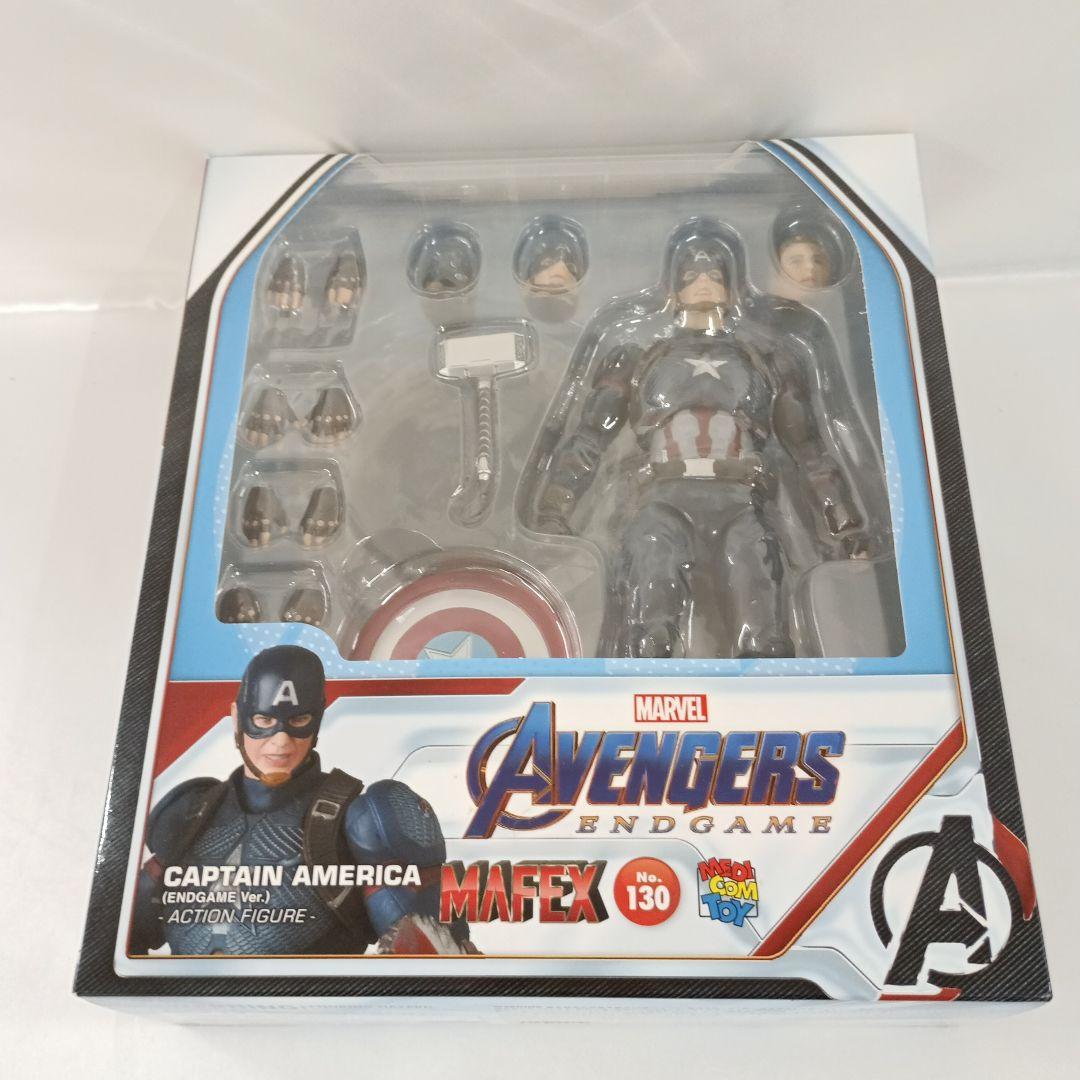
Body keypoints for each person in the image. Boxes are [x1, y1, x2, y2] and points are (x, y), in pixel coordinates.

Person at [535, 220, 864, 659]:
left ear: (732, 286)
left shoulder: (768, 359)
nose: (704, 281)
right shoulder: (638, 358)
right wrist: (554, 508)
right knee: (649, 626)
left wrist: (846, 527)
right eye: (692, 274)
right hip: (664, 500)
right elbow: (589, 438)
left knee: (764, 631)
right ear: (674, 287)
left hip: (741, 501)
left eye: (715, 274)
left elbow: (809, 450)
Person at [130, 645, 472, 955]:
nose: (280, 741)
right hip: (184, 996)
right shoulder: (190, 812)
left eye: (297, 721)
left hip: (312, 999)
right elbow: (123, 940)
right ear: (237, 719)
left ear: (317, 719)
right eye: (263, 720)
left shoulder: (367, 819)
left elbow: (437, 959)